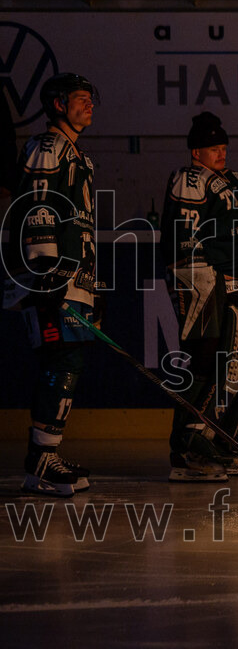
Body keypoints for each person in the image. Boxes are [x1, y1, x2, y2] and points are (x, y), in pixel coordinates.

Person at [160, 112, 238, 481]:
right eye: (213, 148)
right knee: (207, 355)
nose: (221, 153)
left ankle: (220, 435)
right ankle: (187, 446)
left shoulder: (236, 181)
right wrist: (215, 281)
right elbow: (186, 240)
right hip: (204, 282)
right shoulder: (189, 178)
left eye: (224, 147)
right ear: (196, 151)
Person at [2, 73, 101, 497]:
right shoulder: (47, 147)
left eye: (90, 98)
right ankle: (41, 458)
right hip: (52, 278)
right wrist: (46, 271)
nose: (89, 104)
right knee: (60, 359)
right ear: (58, 104)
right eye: (81, 98)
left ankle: (46, 453)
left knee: (68, 359)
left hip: (72, 278)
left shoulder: (76, 152)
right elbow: (36, 204)